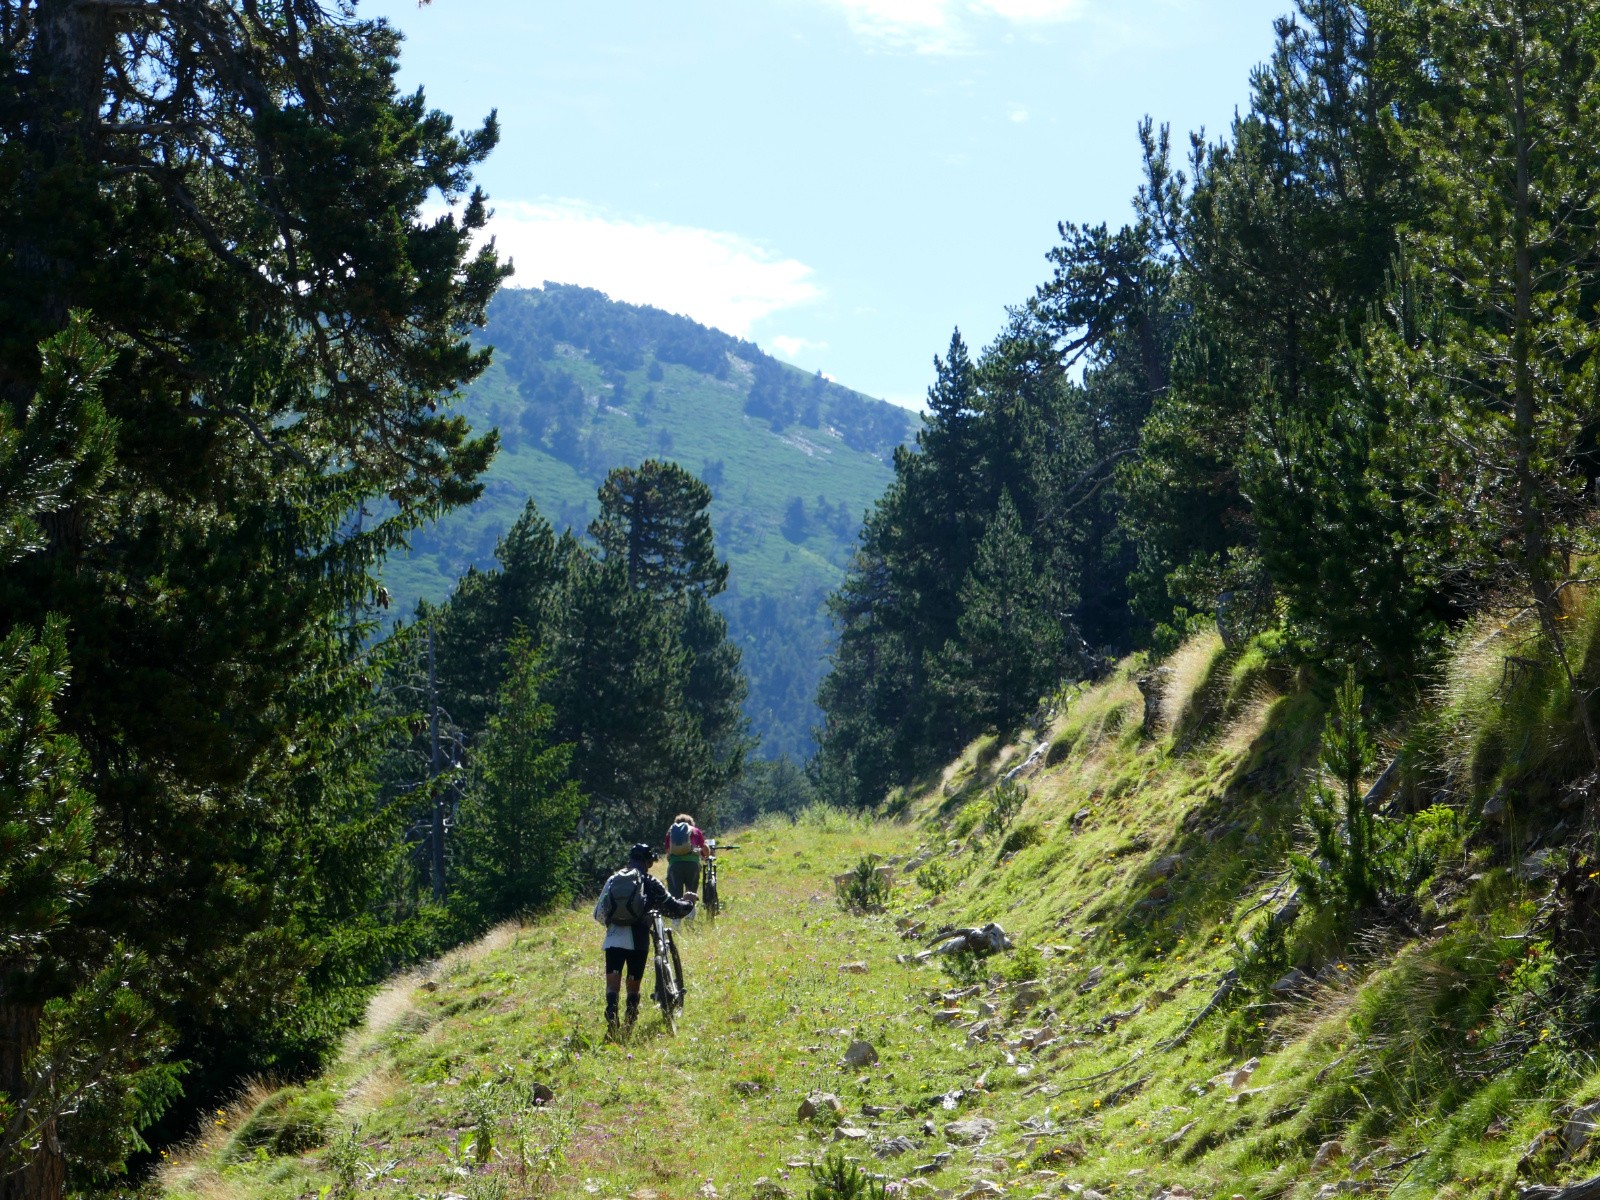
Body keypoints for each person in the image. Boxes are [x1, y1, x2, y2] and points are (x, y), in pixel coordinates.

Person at [593, 842, 696, 1031]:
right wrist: (689, 902)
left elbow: (598, 913)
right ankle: (630, 1020)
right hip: (638, 939)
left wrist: (615, 923)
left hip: (614, 938)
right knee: (633, 985)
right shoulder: (650, 882)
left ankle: (611, 1010)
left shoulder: (614, 879)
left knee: (613, 983)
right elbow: (674, 909)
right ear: (648, 862)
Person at [663, 812, 709, 902]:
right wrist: (706, 854)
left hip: (675, 865)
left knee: (675, 896)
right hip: (692, 865)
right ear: (691, 823)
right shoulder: (695, 831)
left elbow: (667, 851)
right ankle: (690, 912)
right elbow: (705, 849)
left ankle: (676, 914)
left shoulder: (670, 832)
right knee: (691, 893)